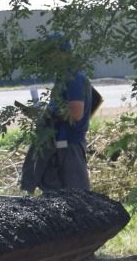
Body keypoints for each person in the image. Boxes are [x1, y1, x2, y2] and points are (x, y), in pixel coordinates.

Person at [20, 33, 95, 193]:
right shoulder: (63, 78)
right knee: (56, 194)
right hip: (60, 145)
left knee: (77, 196)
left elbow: (76, 113)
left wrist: (49, 115)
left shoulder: (74, 78)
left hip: (70, 146)